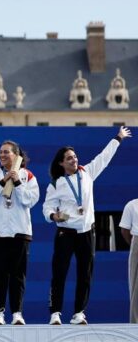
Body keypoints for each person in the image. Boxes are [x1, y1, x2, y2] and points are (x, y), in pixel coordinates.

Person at [43, 126, 131, 325]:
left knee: (85, 273)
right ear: (61, 163)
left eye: (74, 156)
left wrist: (118, 138)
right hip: (65, 232)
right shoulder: (56, 183)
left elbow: (104, 157)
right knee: (60, 273)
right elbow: (47, 206)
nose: (74, 159)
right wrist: (53, 215)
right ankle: (55, 312)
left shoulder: (87, 173)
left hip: (86, 232)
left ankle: (79, 313)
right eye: (69, 158)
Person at [0, 140, 39, 325]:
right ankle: (0, 312)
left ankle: (17, 313)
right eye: (0, 152)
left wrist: (18, 183)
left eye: (6, 152)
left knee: (18, 274)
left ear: (16, 155)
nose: (2, 155)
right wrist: (2, 182)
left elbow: (31, 200)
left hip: (20, 231)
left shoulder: (28, 176)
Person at [120, 197, 138, 323]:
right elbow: (125, 230)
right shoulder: (132, 205)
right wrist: (133, 244)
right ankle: (136, 323)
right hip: (137, 240)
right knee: (136, 285)